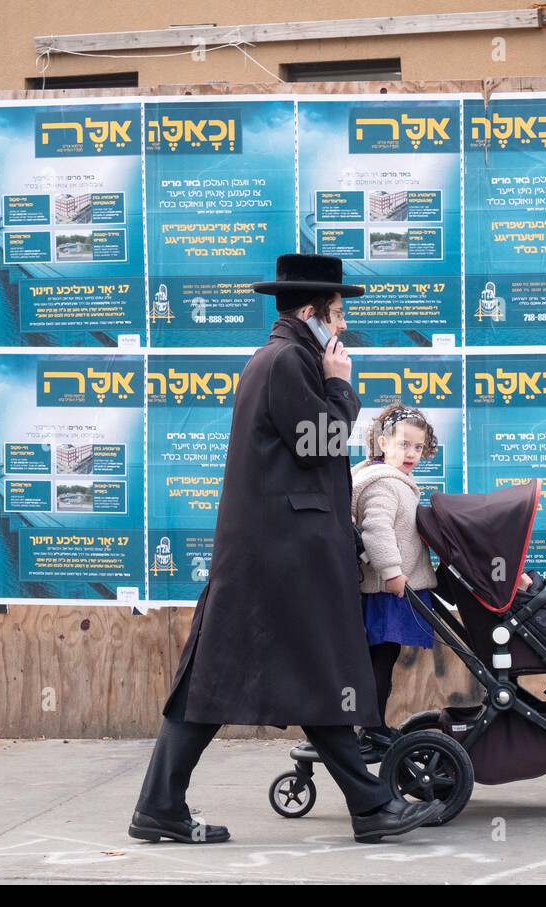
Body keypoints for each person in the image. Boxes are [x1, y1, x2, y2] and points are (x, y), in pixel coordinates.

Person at [129, 253, 443, 844]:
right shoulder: (287, 362)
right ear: (311, 312)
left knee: (252, 677)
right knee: (281, 674)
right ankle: (371, 807)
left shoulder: (284, 358)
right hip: (281, 558)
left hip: (275, 555)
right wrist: (342, 387)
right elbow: (319, 442)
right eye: (338, 312)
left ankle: (163, 806)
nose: (343, 325)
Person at [351, 403, 439, 762]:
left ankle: (372, 724)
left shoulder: (394, 480)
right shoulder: (384, 483)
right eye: (404, 445)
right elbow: (376, 531)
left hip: (393, 588)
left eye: (418, 447)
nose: (412, 454)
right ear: (382, 442)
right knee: (380, 662)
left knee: (382, 661)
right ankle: (371, 728)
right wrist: (390, 571)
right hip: (387, 591)